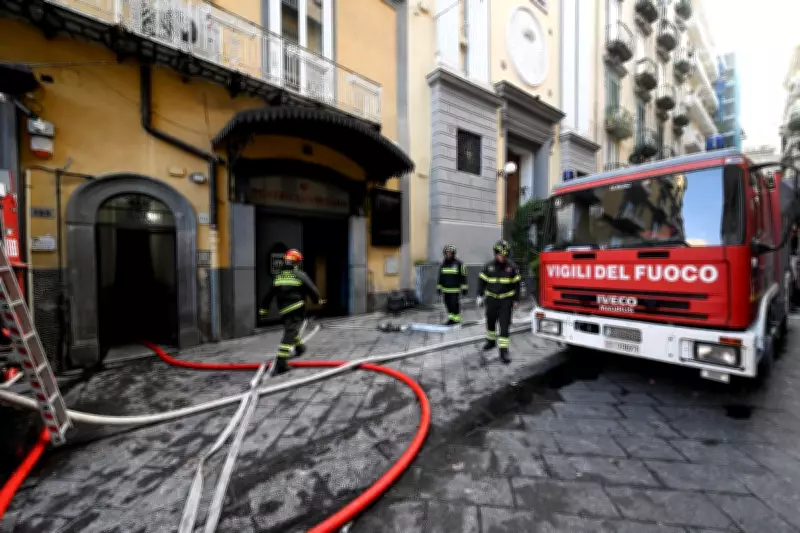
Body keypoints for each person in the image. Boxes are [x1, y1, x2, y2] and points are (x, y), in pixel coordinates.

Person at [259, 249, 323, 375]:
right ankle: (281, 362)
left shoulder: (278, 276)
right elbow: (312, 290)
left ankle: (299, 348)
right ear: (297, 262)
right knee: (290, 333)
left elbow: (268, 296)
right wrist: (317, 301)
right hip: (296, 308)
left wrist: (264, 311)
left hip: (283, 310)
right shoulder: (300, 275)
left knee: (291, 329)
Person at [476, 239, 521, 364]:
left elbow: (517, 285)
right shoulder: (488, 266)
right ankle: (491, 342)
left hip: (506, 301)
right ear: (495, 253)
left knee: (504, 326)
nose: (502, 257)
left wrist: (516, 299)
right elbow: (481, 282)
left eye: (504, 255)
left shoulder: (512, 267)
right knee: (490, 323)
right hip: (491, 300)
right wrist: (479, 295)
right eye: (500, 255)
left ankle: (503, 351)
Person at [437, 244, 468, 325]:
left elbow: (463, 277)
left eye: (450, 253)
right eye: (447, 253)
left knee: (454, 304)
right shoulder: (443, 264)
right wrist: (439, 287)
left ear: (453, 254)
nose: (448, 254)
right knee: (447, 304)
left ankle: (457, 319)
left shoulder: (459, 264)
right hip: (445, 290)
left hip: (455, 289)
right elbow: (441, 277)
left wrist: (464, 288)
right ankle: (451, 319)